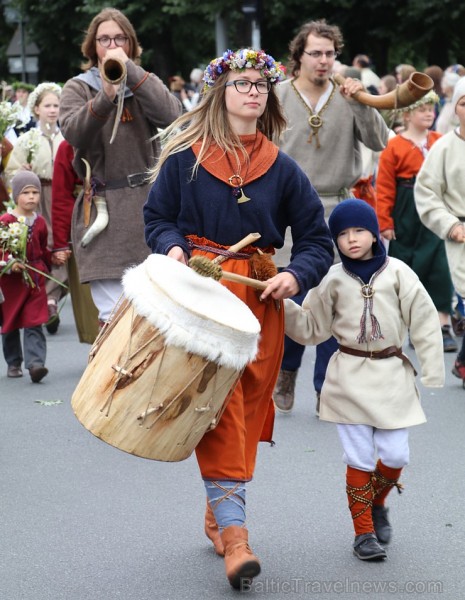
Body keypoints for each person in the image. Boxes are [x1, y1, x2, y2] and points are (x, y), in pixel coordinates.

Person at [143, 47, 334, 589]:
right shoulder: (186, 160)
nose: (253, 90)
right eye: (241, 82)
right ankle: (236, 538)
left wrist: (295, 276)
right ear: (220, 93)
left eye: (260, 84)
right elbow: (157, 219)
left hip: (260, 305)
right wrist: (174, 248)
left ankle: (218, 515)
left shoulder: (284, 167)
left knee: (247, 413)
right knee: (218, 405)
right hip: (203, 298)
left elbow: (316, 240)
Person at [284, 199, 444, 560]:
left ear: (374, 232)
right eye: (342, 234)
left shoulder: (400, 272)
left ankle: (376, 503)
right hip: (347, 378)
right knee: (358, 458)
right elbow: (312, 327)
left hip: (391, 376)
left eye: (359, 230)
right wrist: (283, 306)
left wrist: (433, 370)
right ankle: (363, 535)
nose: (351, 239)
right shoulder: (331, 278)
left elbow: (423, 319)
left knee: (395, 453)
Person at [273, 19, 389, 414]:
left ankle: (325, 388)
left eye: (329, 54)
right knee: (294, 297)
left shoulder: (348, 94)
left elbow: (379, 142)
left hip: (337, 208)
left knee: (335, 303)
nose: (323, 61)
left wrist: (361, 101)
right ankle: (287, 369)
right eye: (315, 53)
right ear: (299, 56)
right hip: (288, 210)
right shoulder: (277, 96)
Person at [58, 7, 182, 325]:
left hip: (148, 208)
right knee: (114, 319)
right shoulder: (78, 88)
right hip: (104, 215)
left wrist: (133, 75)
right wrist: (106, 95)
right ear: (92, 46)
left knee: (154, 317)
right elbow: (73, 132)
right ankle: (111, 375)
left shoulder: (144, 82)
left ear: (130, 44)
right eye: (104, 39)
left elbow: (172, 116)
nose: (111, 45)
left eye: (119, 38)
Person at [376, 90, 456, 352]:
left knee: (440, 265)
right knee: (407, 266)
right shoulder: (395, 146)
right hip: (407, 206)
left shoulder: (440, 140)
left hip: (436, 206)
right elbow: (385, 187)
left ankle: (443, 325)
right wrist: (385, 222)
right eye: (422, 109)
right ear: (407, 114)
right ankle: (412, 324)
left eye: (432, 109)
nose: (429, 113)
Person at [414, 77, 465, 384]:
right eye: (463, 102)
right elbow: (427, 193)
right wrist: (451, 225)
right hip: (459, 236)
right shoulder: (444, 148)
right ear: (455, 108)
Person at [5, 81, 66, 335]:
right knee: (44, 244)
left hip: (62, 196)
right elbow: (11, 171)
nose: (52, 110)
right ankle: (46, 298)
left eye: (56, 105)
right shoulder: (27, 139)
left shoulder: (67, 137)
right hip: (36, 196)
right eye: (47, 105)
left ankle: (51, 297)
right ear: (37, 109)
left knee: (63, 245)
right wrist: (23, 173)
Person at [0, 172, 68, 382]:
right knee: (10, 322)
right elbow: (2, 250)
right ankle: (13, 362)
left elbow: (41, 249)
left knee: (34, 320)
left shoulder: (39, 223)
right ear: (15, 195)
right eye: (26, 192)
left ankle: (36, 364)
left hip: (35, 280)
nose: (31, 197)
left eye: (35, 192)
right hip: (12, 282)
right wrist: (11, 263)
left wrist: (54, 257)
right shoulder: (6, 220)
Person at [51, 139, 99, 343]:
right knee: (89, 289)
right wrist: (61, 242)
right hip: (84, 219)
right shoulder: (68, 146)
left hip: (123, 215)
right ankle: (97, 342)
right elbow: (61, 195)